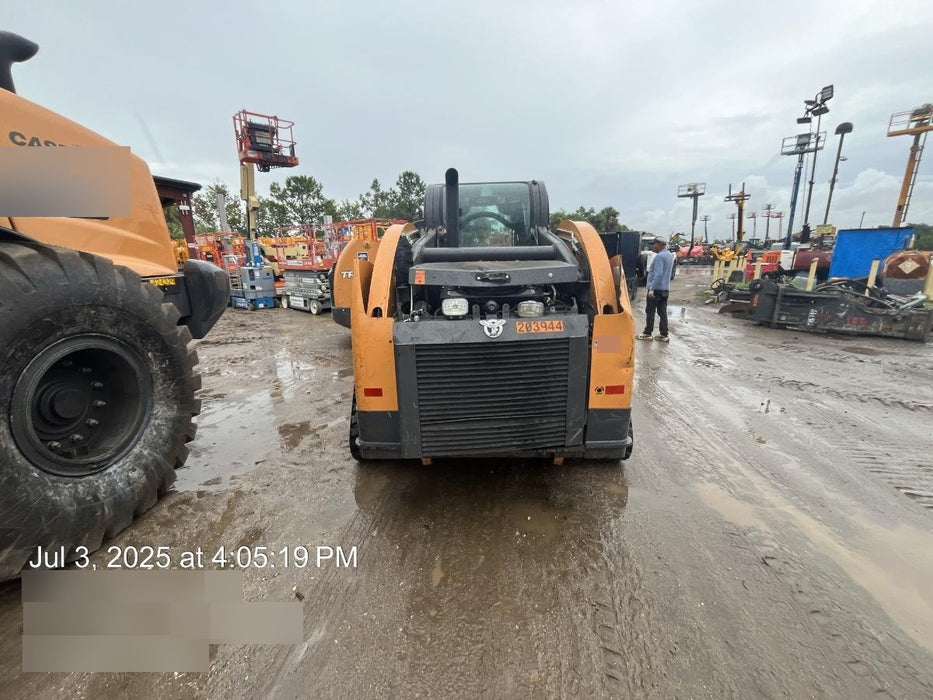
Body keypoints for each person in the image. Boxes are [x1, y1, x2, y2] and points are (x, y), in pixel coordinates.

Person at [637, 237, 674, 342]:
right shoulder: (669, 255)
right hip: (665, 288)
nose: (652, 246)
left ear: (660, 244)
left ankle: (647, 332)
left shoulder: (659, 257)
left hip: (656, 289)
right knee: (662, 312)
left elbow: (658, 274)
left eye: (654, 244)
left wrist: (652, 288)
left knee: (650, 311)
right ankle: (664, 334)